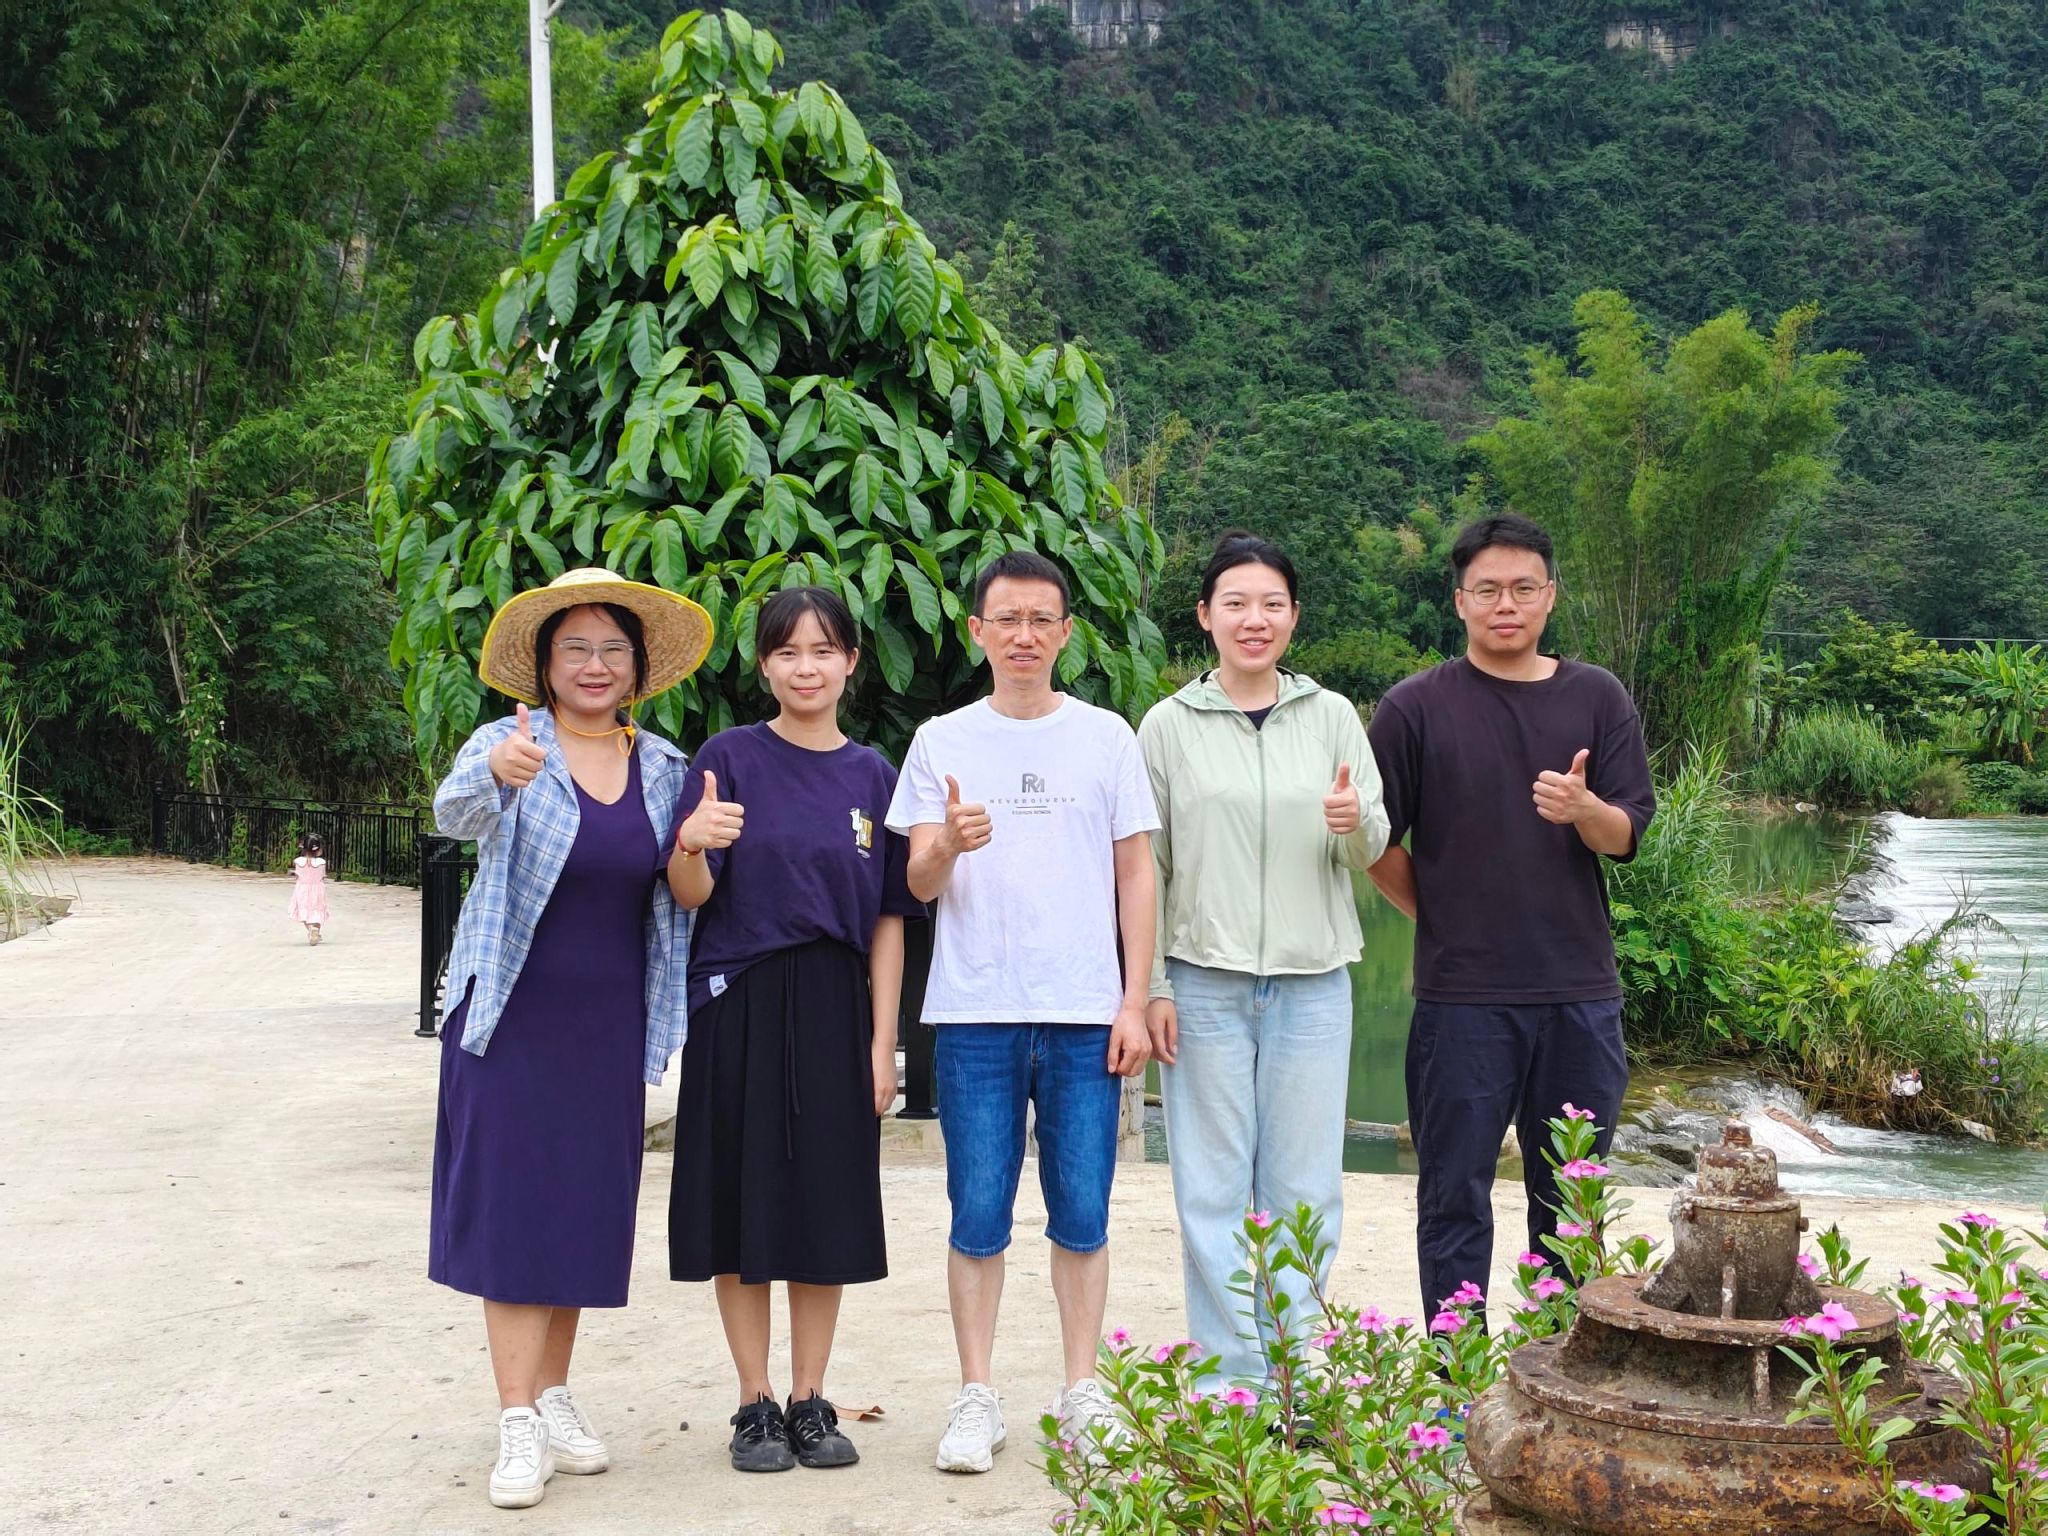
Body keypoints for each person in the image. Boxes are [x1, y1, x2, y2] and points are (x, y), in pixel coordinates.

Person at [428, 565, 712, 1510]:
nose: (595, 665)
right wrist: (496, 778)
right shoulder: (510, 742)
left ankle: (552, 1394)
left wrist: (694, 845)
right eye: (576, 648)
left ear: (637, 667)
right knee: (514, 1206)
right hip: (510, 1014)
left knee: (581, 1206)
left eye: (613, 649)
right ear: (545, 665)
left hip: (608, 1021)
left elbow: (686, 895)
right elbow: (452, 814)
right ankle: (516, 1416)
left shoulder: (665, 767)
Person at [883, 550, 1158, 1474]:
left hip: (1084, 1011)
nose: (1025, 635)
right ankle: (976, 1394)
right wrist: (949, 847)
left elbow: (1135, 874)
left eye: (1042, 619)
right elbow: (918, 882)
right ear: (978, 631)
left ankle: (1081, 1391)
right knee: (977, 1211)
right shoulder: (942, 741)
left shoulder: (1106, 738)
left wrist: (1132, 999)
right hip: (975, 1013)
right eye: (1007, 619)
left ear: (1066, 631)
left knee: (1083, 1210)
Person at [1364, 516, 1654, 1321]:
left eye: (1524, 588)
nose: (1506, 604)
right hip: (1461, 1000)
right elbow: (1372, 841)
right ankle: (1457, 1372)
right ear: (1459, 600)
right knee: (1453, 1193)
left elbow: (1626, 835)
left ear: (1550, 596)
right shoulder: (1414, 707)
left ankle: (1557, 1362)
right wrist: (1440, 917)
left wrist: (1585, 809)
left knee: (1573, 1200)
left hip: (1579, 993)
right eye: (1487, 589)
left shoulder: (1597, 697)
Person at [664, 585, 924, 1475]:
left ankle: (812, 1400)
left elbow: (888, 920)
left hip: (835, 1005)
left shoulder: (874, 776)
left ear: (851, 661)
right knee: (740, 1203)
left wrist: (882, 1045)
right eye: (786, 652)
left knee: (824, 1203)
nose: (805, 668)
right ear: (764, 666)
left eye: (822, 650)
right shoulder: (728, 759)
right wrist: (690, 842)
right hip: (738, 998)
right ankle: (754, 1403)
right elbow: (691, 895)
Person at [1138, 531, 1389, 1387]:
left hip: (1313, 983)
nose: (1255, 619)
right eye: (1236, 603)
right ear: (1205, 616)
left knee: (1305, 1190)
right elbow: (1148, 869)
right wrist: (1153, 985)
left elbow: (1369, 848)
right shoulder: (1167, 726)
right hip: (1200, 983)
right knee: (1210, 1190)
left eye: (1272, 604)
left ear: (1293, 617)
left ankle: (1298, 1375)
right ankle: (1230, 1382)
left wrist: (1356, 822)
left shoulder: (1333, 716)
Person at [288, 832, 329, 945]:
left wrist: (293, 873)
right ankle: (316, 930)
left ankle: (311, 929)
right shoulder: (321, 862)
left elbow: (298, 875)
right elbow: (323, 876)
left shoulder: (298, 861)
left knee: (304, 911)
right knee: (318, 910)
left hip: (302, 889)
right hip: (317, 889)